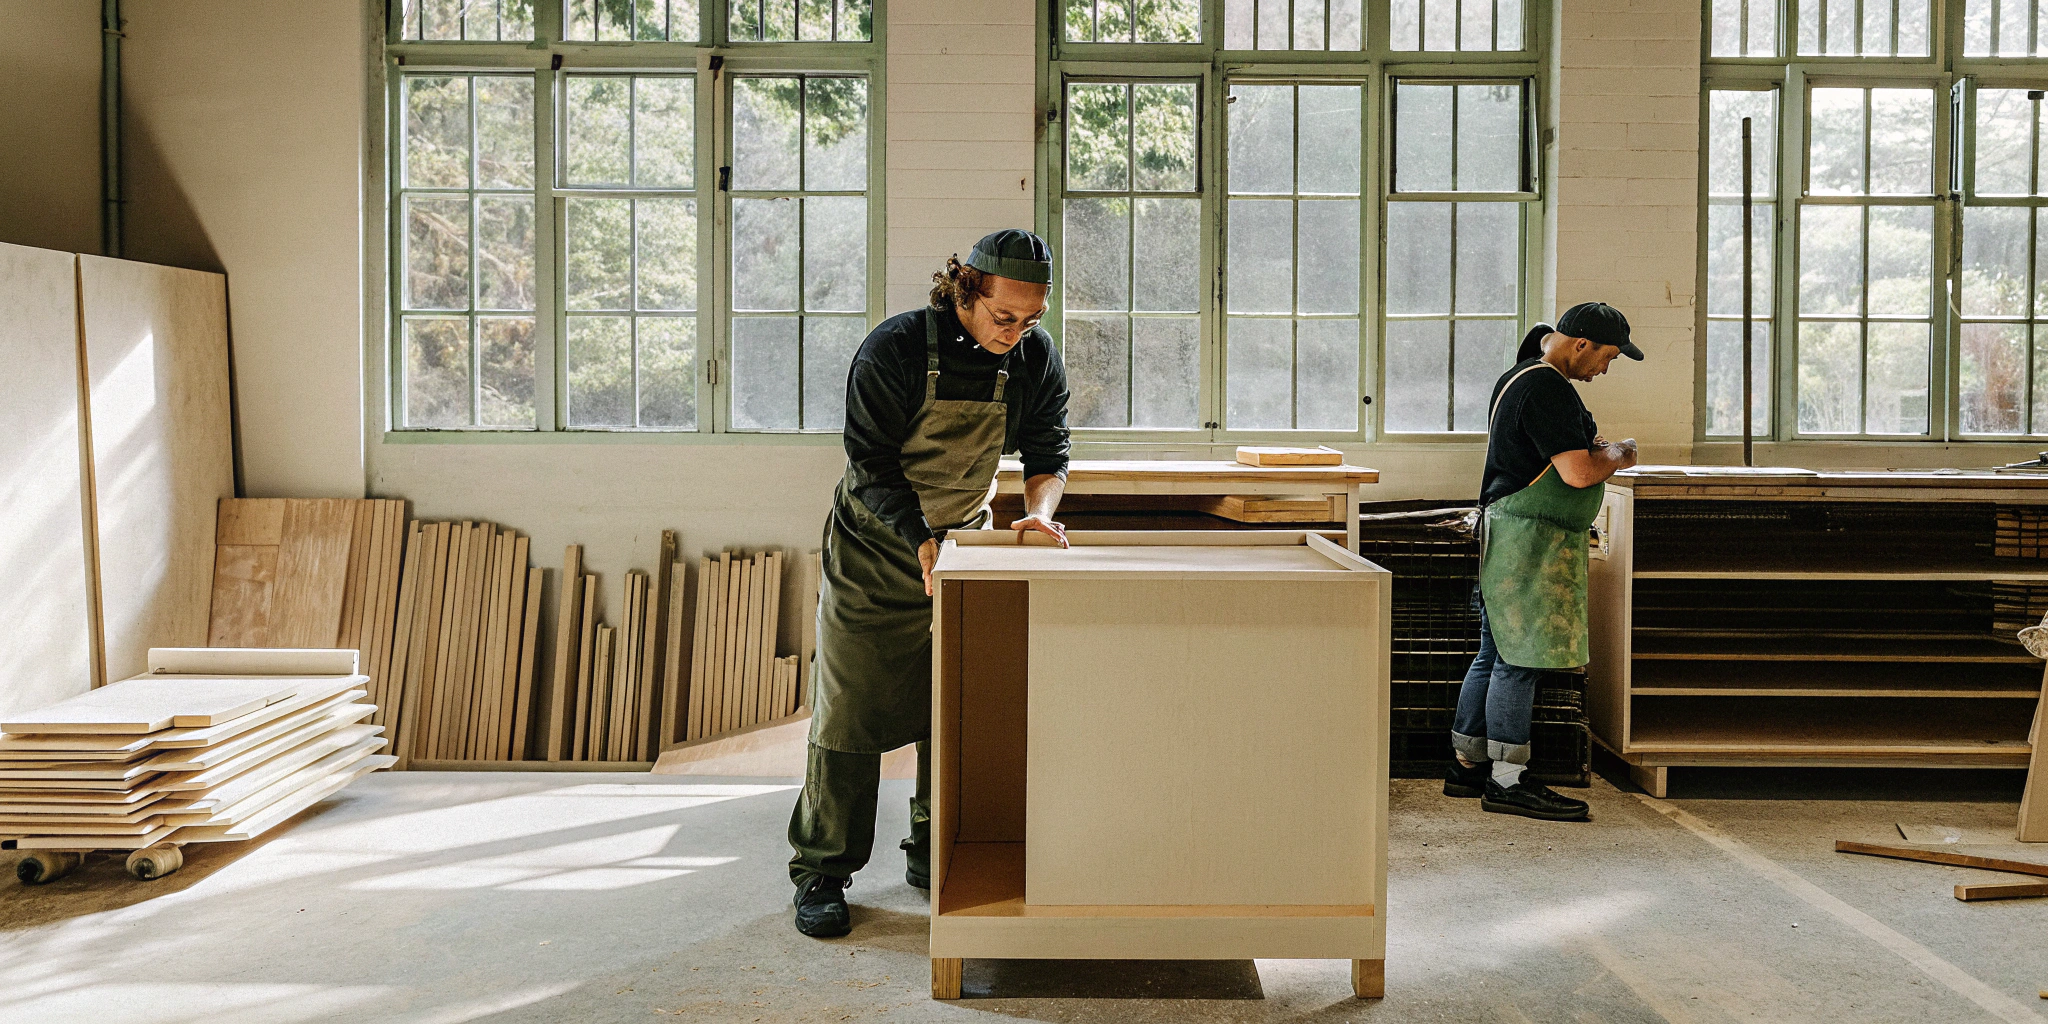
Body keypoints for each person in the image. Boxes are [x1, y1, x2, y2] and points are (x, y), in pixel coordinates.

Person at [788, 230, 1071, 938]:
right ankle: (823, 868)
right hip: (874, 547)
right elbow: (871, 464)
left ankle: (932, 850)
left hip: (961, 546)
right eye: (1005, 317)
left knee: (953, 709)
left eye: (1031, 319)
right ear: (965, 290)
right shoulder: (896, 350)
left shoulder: (1033, 358)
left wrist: (1037, 516)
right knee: (849, 716)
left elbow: (1049, 449)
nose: (1017, 333)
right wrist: (919, 541)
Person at [1445, 301, 1641, 822]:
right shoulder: (1548, 386)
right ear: (1581, 344)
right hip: (1526, 539)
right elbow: (1578, 472)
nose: (1605, 369)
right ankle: (1508, 781)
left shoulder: (1521, 375)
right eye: (1608, 357)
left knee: (1494, 652)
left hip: (1509, 533)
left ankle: (1467, 764)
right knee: (1520, 660)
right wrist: (1622, 452)